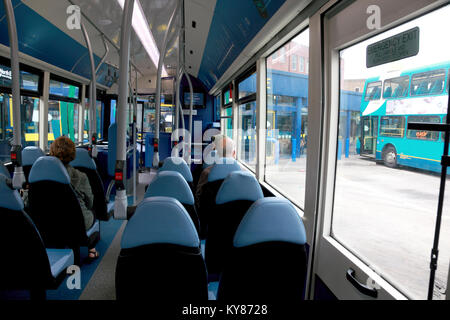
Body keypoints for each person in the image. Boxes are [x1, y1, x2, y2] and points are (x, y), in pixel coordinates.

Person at [49, 136, 99, 261]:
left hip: (49, 223)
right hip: (76, 224)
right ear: (72, 154)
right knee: (92, 211)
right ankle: (88, 245)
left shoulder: (39, 176)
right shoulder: (80, 176)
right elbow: (90, 202)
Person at [195, 134, 236, 205]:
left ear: (216, 153)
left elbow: (198, 198)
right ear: (234, 153)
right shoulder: (245, 175)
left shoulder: (206, 173)